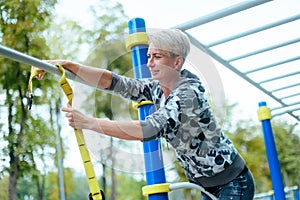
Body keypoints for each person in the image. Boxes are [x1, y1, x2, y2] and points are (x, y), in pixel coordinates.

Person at [41, 29, 255, 199]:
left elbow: (147, 129)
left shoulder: (188, 94)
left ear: (177, 62)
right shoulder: (157, 87)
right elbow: (115, 82)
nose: (149, 63)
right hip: (206, 183)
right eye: (149, 56)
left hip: (233, 181)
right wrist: (70, 66)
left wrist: (89, 122)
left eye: (157, 57)